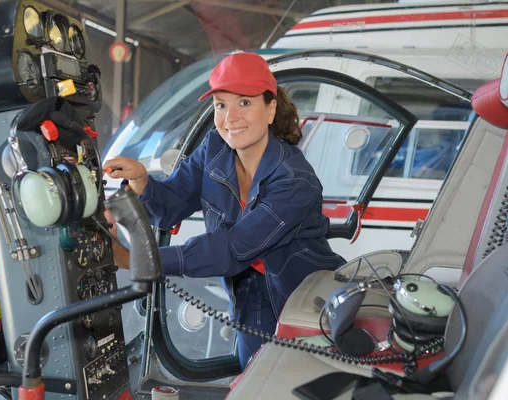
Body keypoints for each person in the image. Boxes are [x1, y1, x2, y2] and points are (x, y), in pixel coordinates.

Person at [103, 52, 346, 370]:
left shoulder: (295, 181)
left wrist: (132, 259)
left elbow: (233, 248)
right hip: (247, 289)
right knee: (254, 378)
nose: (230, 117)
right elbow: (171, 204)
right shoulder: (213, 149)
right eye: (221, 104)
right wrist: (142, 181)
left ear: (270, 109)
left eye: (244, 102)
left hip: (302, 297)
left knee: (293, 381)